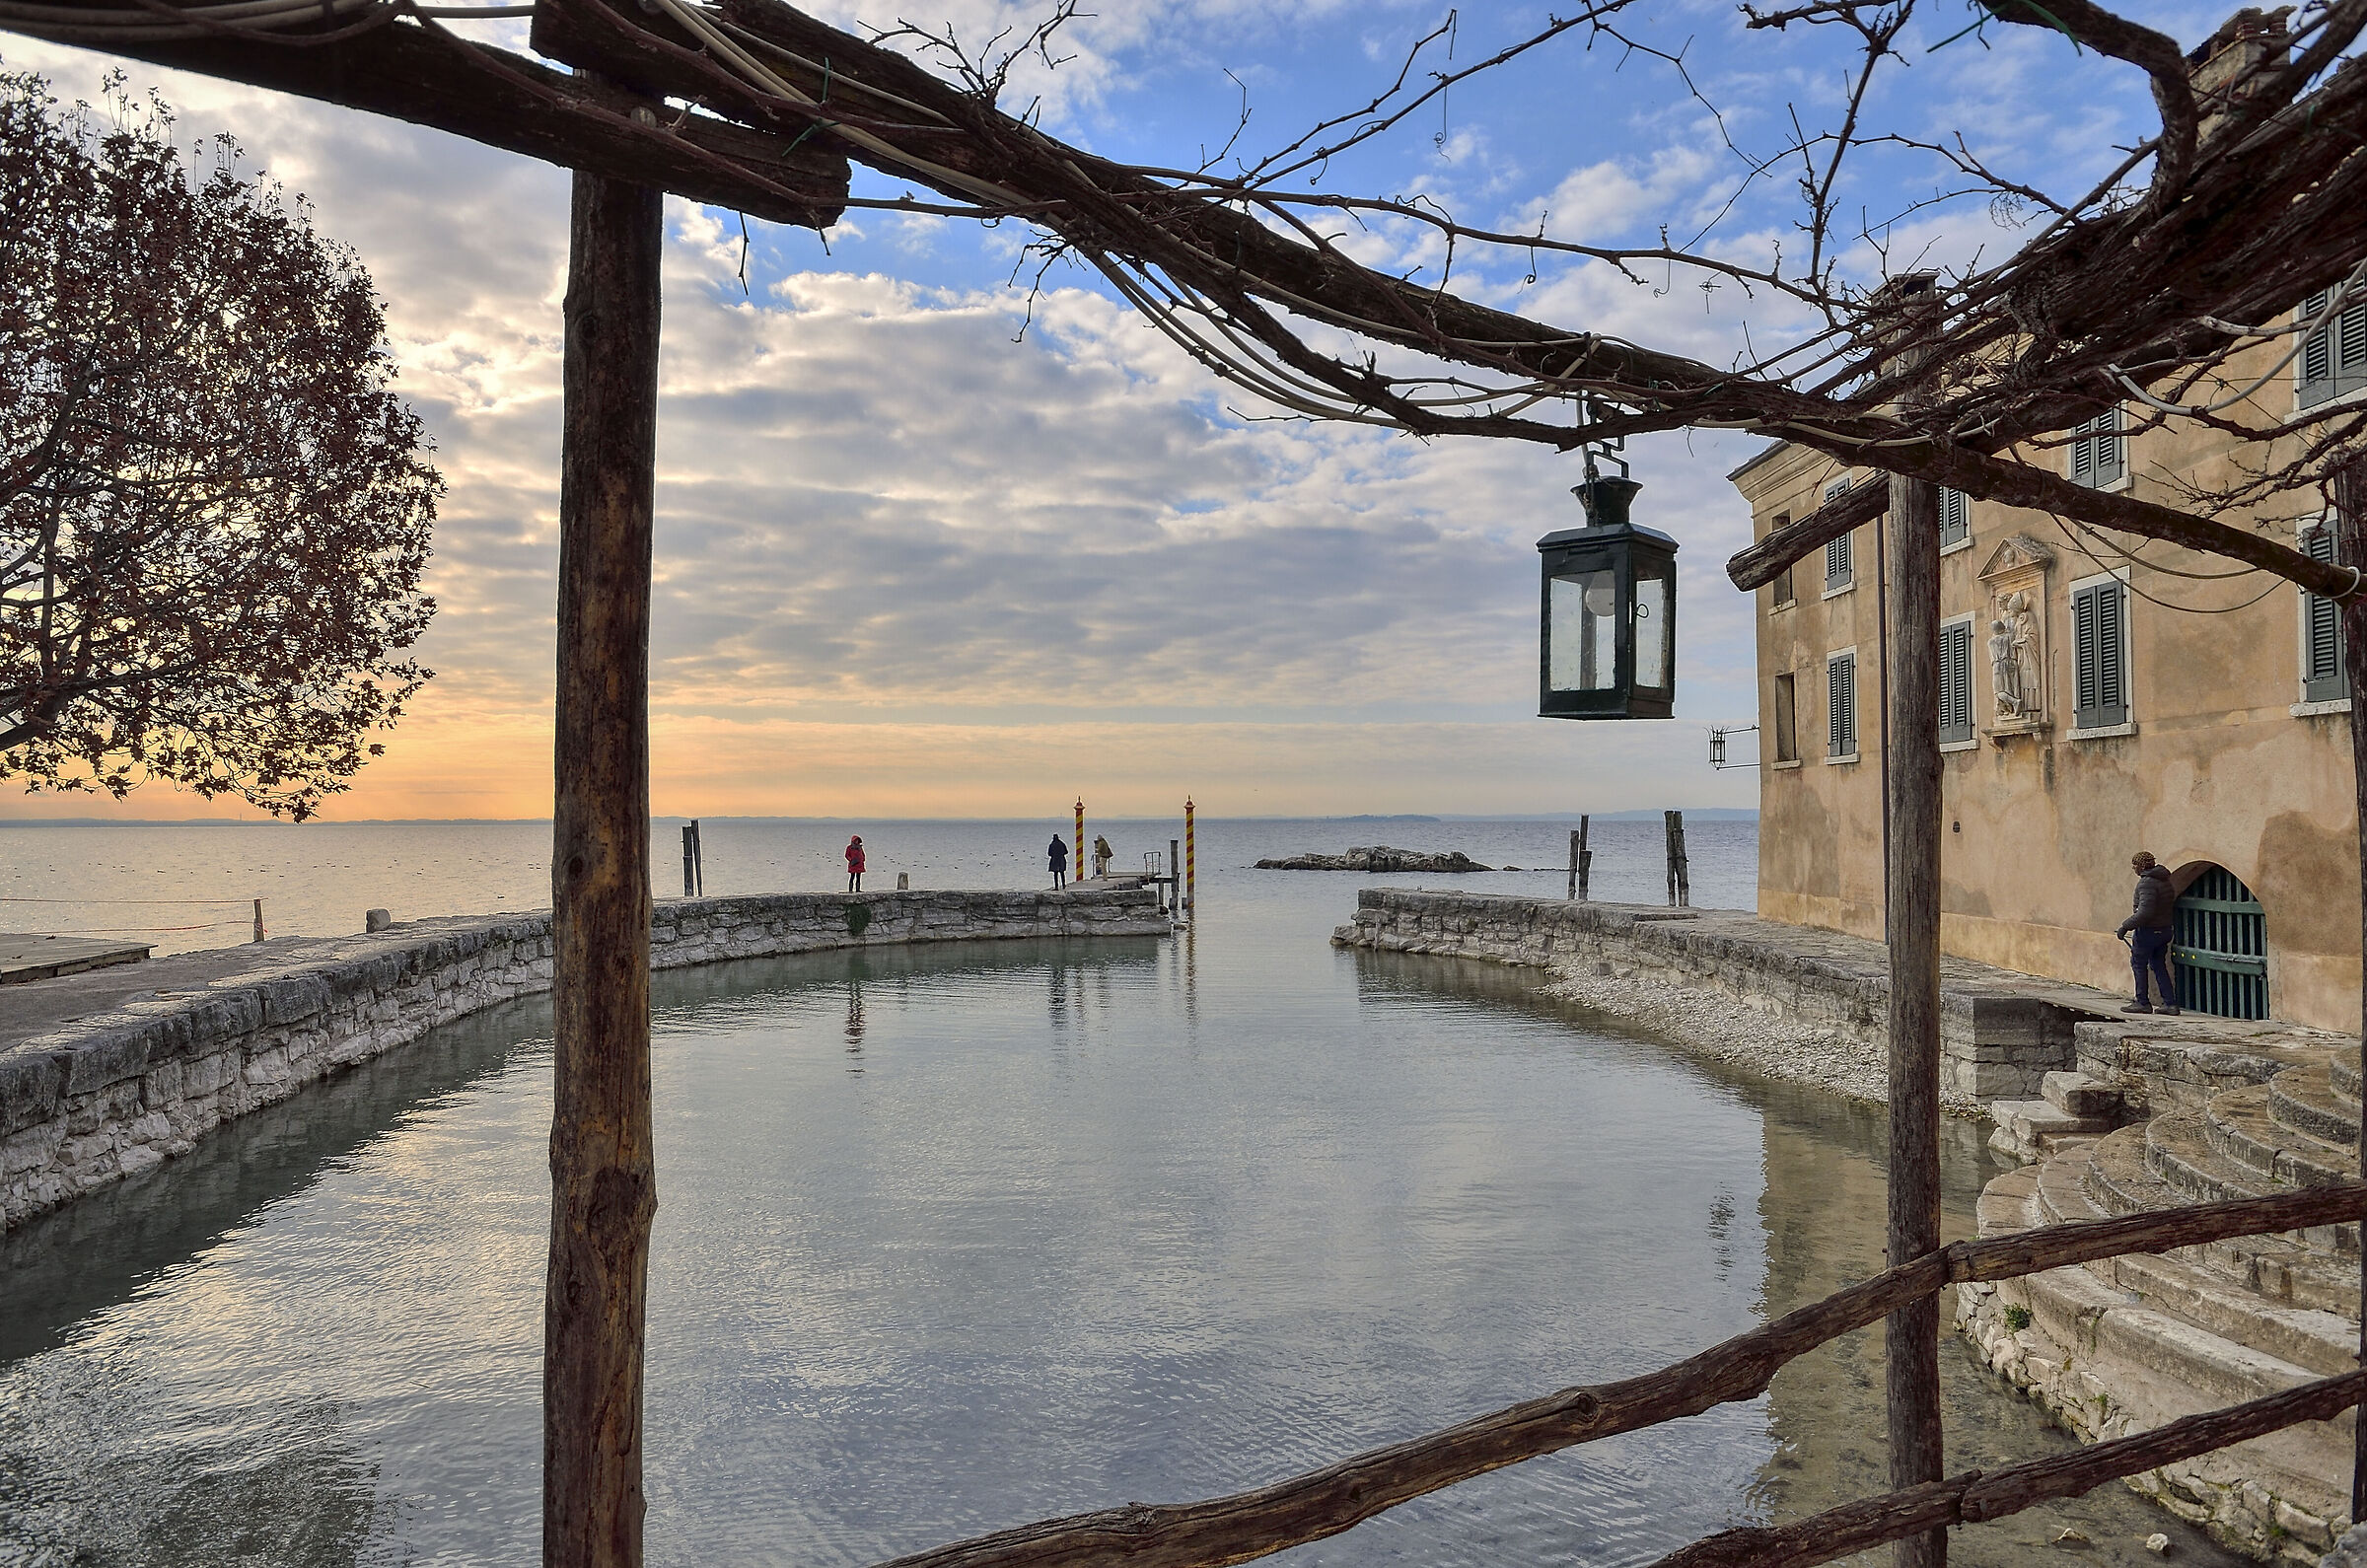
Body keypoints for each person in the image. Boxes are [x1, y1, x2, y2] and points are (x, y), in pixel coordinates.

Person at [2115, 851, 2182, 1015]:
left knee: (2138, 964)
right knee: (2158, 965)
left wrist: (2125, 926)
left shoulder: (2147, 883)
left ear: (2142, 866)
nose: (2134, 869)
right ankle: (2170, 1004)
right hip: (2164, 930)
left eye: (2135, 865)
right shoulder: (2165, 880)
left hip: (2148, 931)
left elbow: (2145, 912)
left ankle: (2142, 1002)